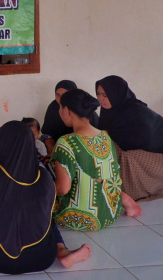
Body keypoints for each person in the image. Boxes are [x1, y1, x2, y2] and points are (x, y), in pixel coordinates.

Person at [0, 121, 92, 275]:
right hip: (42, 258)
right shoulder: (43, 176)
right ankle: (61, 250)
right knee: (47, 218)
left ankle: (60, 250)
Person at [52, 88, 141, 231]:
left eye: (60, 107)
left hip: (81, 218)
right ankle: (124, 201)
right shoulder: (105, 135)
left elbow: (63, 189)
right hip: (110, 213)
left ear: (67, 110)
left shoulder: (66, 142)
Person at [96, 75, 163, 201]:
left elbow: (147, 139)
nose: (100, 99)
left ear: (116, 94)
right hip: (141, 154)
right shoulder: (109, 110)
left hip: (157, 157)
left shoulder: (136, 111)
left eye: (105, 95)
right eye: (98, 94)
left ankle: (133, 193)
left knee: (126, 156)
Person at [41, 80, 99, 155]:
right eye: (57, 95)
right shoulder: (53, 107)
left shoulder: (87, 112)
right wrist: (52, 151)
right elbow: (47, 133)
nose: (60, 99)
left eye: (64, 95)